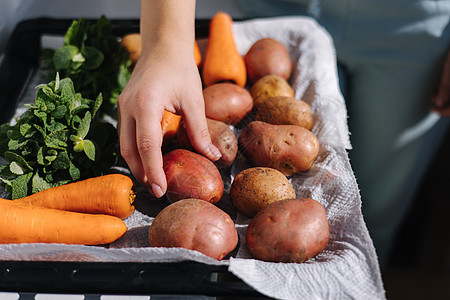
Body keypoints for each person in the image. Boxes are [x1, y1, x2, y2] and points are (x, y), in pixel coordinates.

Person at [117, 0, 450, 267]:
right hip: (278, 9)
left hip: (417, 27)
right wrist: (164, 45)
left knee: (382, 197)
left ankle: (370, 269)